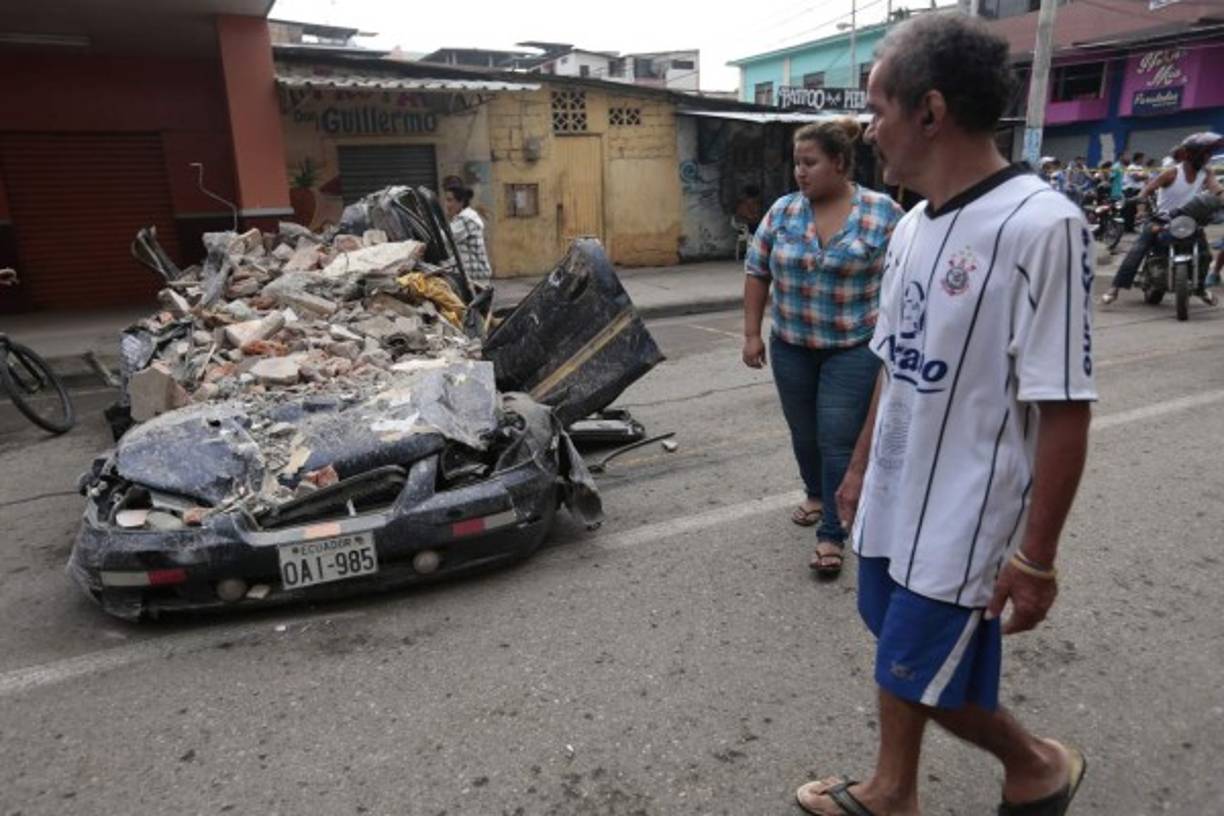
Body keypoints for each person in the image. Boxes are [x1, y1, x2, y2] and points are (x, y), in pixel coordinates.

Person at [794, 14, 1094, 816]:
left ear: (928, 111)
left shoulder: (1042, 225)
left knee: (911, 662)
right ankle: (897, 789)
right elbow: (893, 364)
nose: (867, 131)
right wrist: (859, 471)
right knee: (899, 651)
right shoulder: (912, 228)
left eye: (877, 110)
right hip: (896, 496)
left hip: (968, 511)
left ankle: (1036, 766)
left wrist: (1037, 556)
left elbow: (1064, 405)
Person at [742, 119, 903, 576]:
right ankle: (815, 492)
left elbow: (905, 278)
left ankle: (832, 532)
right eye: (797, 163)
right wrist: (753, 332)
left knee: (836, 439)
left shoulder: (882, 213)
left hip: (853, 348)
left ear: (839, 162)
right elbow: (757, 271)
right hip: (792, 345)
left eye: (809, 162)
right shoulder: (783, 212)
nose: (800, 172)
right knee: (803, 432)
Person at [1101, 140, 1223, 306]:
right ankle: (1115, 288)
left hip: (1188, 220)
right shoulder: (1172, 173)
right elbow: (1147, 189)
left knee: (1205, 254)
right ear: (1190, 156)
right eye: (1203, 155)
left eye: (1207, 155)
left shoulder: (1206, 173)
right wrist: (1141, 210)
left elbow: (1217, 190)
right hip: (1162, 219)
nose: (1206, 158)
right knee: (1138, 248)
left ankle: (1200, 288)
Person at [442, 183, 492, 283]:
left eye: (450, 200)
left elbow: (443, 238)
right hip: (470, 276)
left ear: (461, 202)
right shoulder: (461, 218)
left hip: (476, 278)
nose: (446, 205)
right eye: (446, 200)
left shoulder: (466, 219)